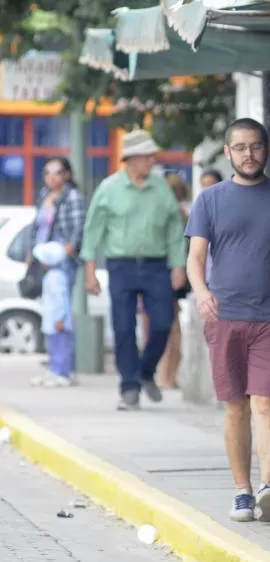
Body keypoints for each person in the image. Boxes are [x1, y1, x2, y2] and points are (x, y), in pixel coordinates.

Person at [185, 118, 270, 523]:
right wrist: (201, 292)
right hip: (226, 317)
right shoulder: (210, 200)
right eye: (240, 148)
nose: (248, 154)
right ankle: (242, 490)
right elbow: (195, 258)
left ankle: (268, 486)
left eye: (255, 146)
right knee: (236, 407)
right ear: (228, 152)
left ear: (266, 150)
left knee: (265, 403)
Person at [81, 130, 187, 410]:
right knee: (124, 327)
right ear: (130, 159)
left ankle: (145, 372)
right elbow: (92, 231)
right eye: (146, 157)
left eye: (152, 156)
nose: (151, 161)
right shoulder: (109, 188)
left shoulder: (161, 188)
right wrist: (90, 271)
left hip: (156, 265)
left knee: (164, 323)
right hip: (121, 265)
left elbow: (175, 229)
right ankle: (129, 387)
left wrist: (178, 265)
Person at [26, 157, 85, 387]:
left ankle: (64, 369)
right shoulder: (43, 196)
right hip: (42, 264)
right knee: (50, 316)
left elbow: (77, 233)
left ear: (67, 174)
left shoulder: (72, 197)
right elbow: (37, 229)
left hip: (60, 264)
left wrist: (60, 255)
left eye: (57, 172)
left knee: (61, 316)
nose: (52, 176)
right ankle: (54, 367)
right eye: (47, 172)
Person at [154, 172, 193, 390]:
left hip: (166, 273)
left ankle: (166, 376)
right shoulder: (186, 213)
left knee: (166, 327)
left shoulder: (173, 214)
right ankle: (169, 375)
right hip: (177, 273)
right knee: (171, 325)